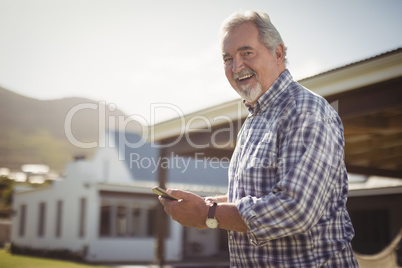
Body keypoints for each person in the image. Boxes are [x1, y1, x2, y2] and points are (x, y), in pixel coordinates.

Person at [159, 10, 359, 267]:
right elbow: (252, 195)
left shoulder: (307, 111)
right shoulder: (254, 120)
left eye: (247, 53)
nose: (236, 66)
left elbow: (295, 209)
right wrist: (206, 204)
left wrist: (206, 214)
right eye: (228, 58)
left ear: (278, 53)